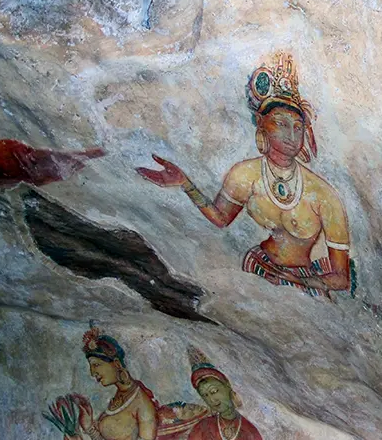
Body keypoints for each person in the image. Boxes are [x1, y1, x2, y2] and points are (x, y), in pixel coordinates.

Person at [136, 52, 351, 297]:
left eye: (298, 127)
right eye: (281, 123)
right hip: (257, 267)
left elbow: (341, 278)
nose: (292, 135)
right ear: (262, 124)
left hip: (302, 279)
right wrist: (186, 184)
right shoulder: (245, 174)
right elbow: (220, 218)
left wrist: (305, 281)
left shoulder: (322, 194)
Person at [158, 346, 264, 440]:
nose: (211, 400)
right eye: (205, 395)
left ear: (227, 387)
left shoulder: (250, 433)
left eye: (214, 391)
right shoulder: (202, 427)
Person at [63, 327, 158, 440]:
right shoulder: (118, 397)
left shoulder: (143, 405)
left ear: (115, 363)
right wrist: (88, 427)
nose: (92, 373)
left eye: (96, 365)